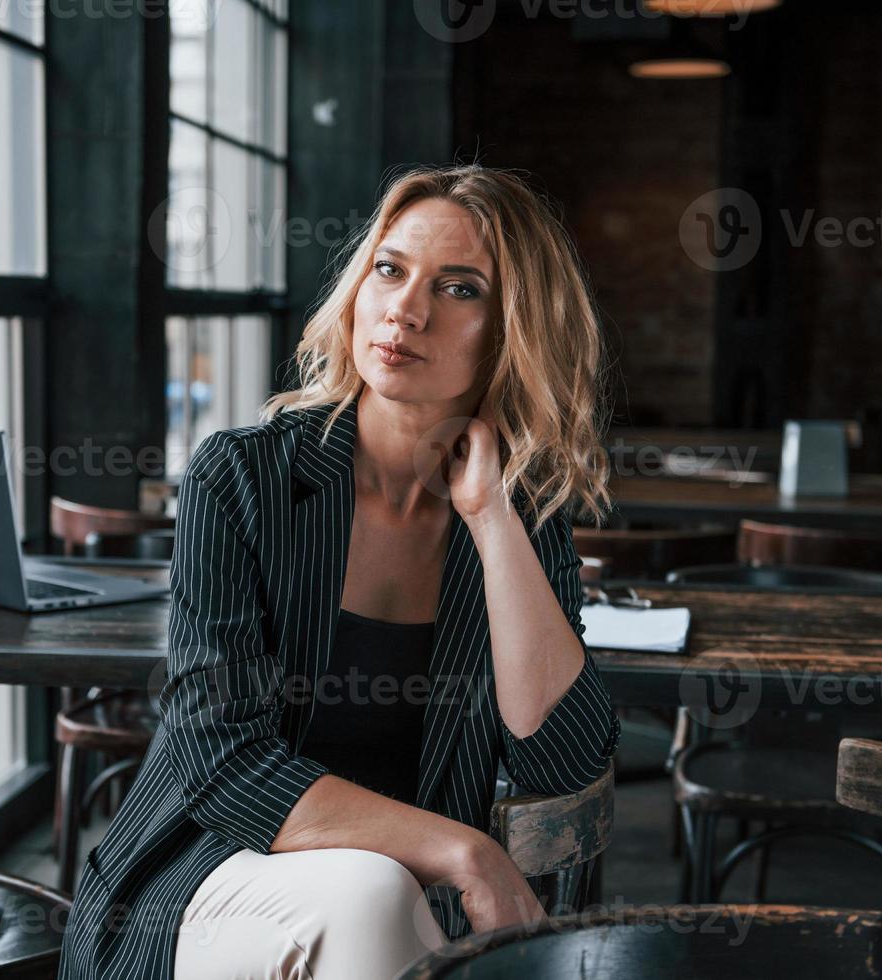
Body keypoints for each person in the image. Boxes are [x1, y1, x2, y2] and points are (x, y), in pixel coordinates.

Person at [57, 164, 621, 979]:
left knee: (377, 899)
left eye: (459, 289)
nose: (406, 309)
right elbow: (222, 761)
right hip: (197, 883)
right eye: (389, 270)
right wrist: (463, 852)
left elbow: (561, 762)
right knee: (369, 894)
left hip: (394, 916)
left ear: (512, 331)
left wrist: (493, 518)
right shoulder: (244, 477)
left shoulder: (522, 513)